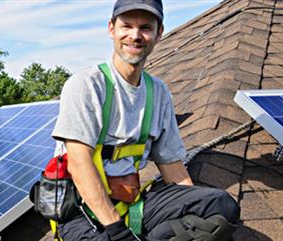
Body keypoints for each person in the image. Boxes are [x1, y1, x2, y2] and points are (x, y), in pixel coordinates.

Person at [51, 0, 240, 240]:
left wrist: (190, 206)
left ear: (158, 33)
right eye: (126, 26)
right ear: (111, 29)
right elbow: (78, 164)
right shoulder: (87, 85)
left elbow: (172, 167)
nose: (135, 35)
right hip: (81, 211)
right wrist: (117, 231)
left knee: (220, 207)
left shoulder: (158, 92)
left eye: (145, 28)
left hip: (133, 204)